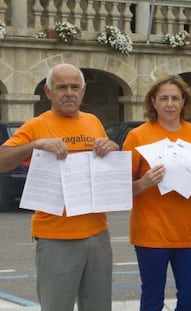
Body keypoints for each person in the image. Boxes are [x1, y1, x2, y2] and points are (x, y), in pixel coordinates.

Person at [0, 63, 119, 311]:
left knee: (99, 306)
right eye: (61, 87)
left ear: (83, 91)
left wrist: (112, 149)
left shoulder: (93, 121)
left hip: (97, 232)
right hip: (56, 235)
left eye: (75, 87)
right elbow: (2, 161)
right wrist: (35, 145)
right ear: (48, 91)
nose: (69, 93)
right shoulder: (36, 126)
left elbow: (106, 165)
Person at [122, 75, 191, 311]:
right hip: (151, 233)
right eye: (163, 98)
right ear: (153, 101)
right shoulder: (138, 136)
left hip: (188, 234)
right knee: (152, 299)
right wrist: (143, 183)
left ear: (184, 102)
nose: (170, 104)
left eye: (175, 98)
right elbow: (118, 187)